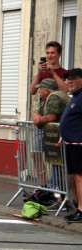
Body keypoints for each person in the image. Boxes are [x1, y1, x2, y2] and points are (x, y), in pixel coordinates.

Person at [32, 78, 70, 193]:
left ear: (47, 90)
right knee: (56, 163)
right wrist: (38, 118)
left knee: (58, 163)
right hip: (57, 135)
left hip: (61, 135)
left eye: (41, 89)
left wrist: (39, 121)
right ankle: (57, 190)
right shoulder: (48, 98)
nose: (39, 92)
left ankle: (60, 193)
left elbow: (51, 117)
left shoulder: (54, 97)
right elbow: (39, 113)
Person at [59, 68, 82, 223]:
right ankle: (78, 207)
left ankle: (81, 209)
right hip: (71, 143)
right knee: (75, 176)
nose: (70, 81)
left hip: (79, 143)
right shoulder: (75, 96)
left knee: (80, 177)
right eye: (68, 79)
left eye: (73, 78)